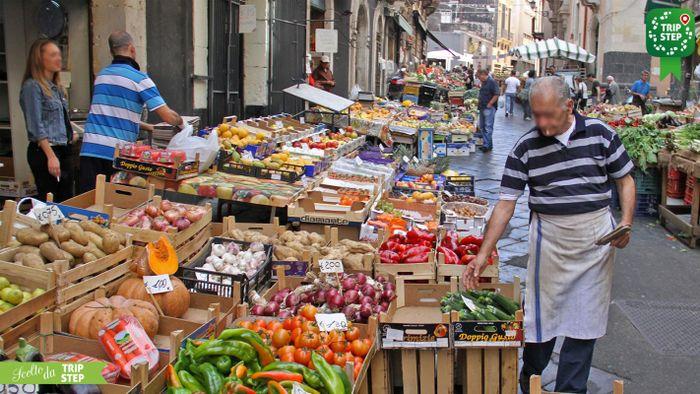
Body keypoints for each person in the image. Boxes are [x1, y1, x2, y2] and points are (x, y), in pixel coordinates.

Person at [462, 76, 636, 394]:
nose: (540, 123)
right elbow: (505, 204)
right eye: (536, 114)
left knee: (585, 321)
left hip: (595, 241)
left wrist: (625, 221)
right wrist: (484, 253)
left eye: (547, 115)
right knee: (542, 319)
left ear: (569, 106)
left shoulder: (601, 134)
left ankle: (571, 388)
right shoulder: (525, 146)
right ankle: (531, 376)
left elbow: (624, 180)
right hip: (551, 241)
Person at [79, 31, 182, 192]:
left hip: (90, 150)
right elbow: (168, 117)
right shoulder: (139, 78)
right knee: (117, 205)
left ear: (112, 51)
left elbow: (113, 114)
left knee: (89, 203)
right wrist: (182, 122)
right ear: (132, 49)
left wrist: (148, 127)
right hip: (117, 154)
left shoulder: (101, 76)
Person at [20, 39, 75, 202]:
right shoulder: (33, 87)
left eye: (59, 54)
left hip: (62, 148)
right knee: (50, 200)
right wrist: (50, 156)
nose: (59, 59)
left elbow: (59, 120)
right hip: (45, 151)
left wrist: (71, 134)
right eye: (53, 55)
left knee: (66, 199)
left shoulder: (56, 88)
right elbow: (36, 125)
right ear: (40, 59)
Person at [476, 68, 499, 152]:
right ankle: (487, 144)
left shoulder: (491, 82)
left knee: (488, 127)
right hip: (482, 107)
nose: (478, 78)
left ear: (483, 74)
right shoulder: (484, 82)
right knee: (482, 127)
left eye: (479, 76)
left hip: (488, 108)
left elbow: (496, 94)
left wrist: (490, 104)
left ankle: (487, 146)